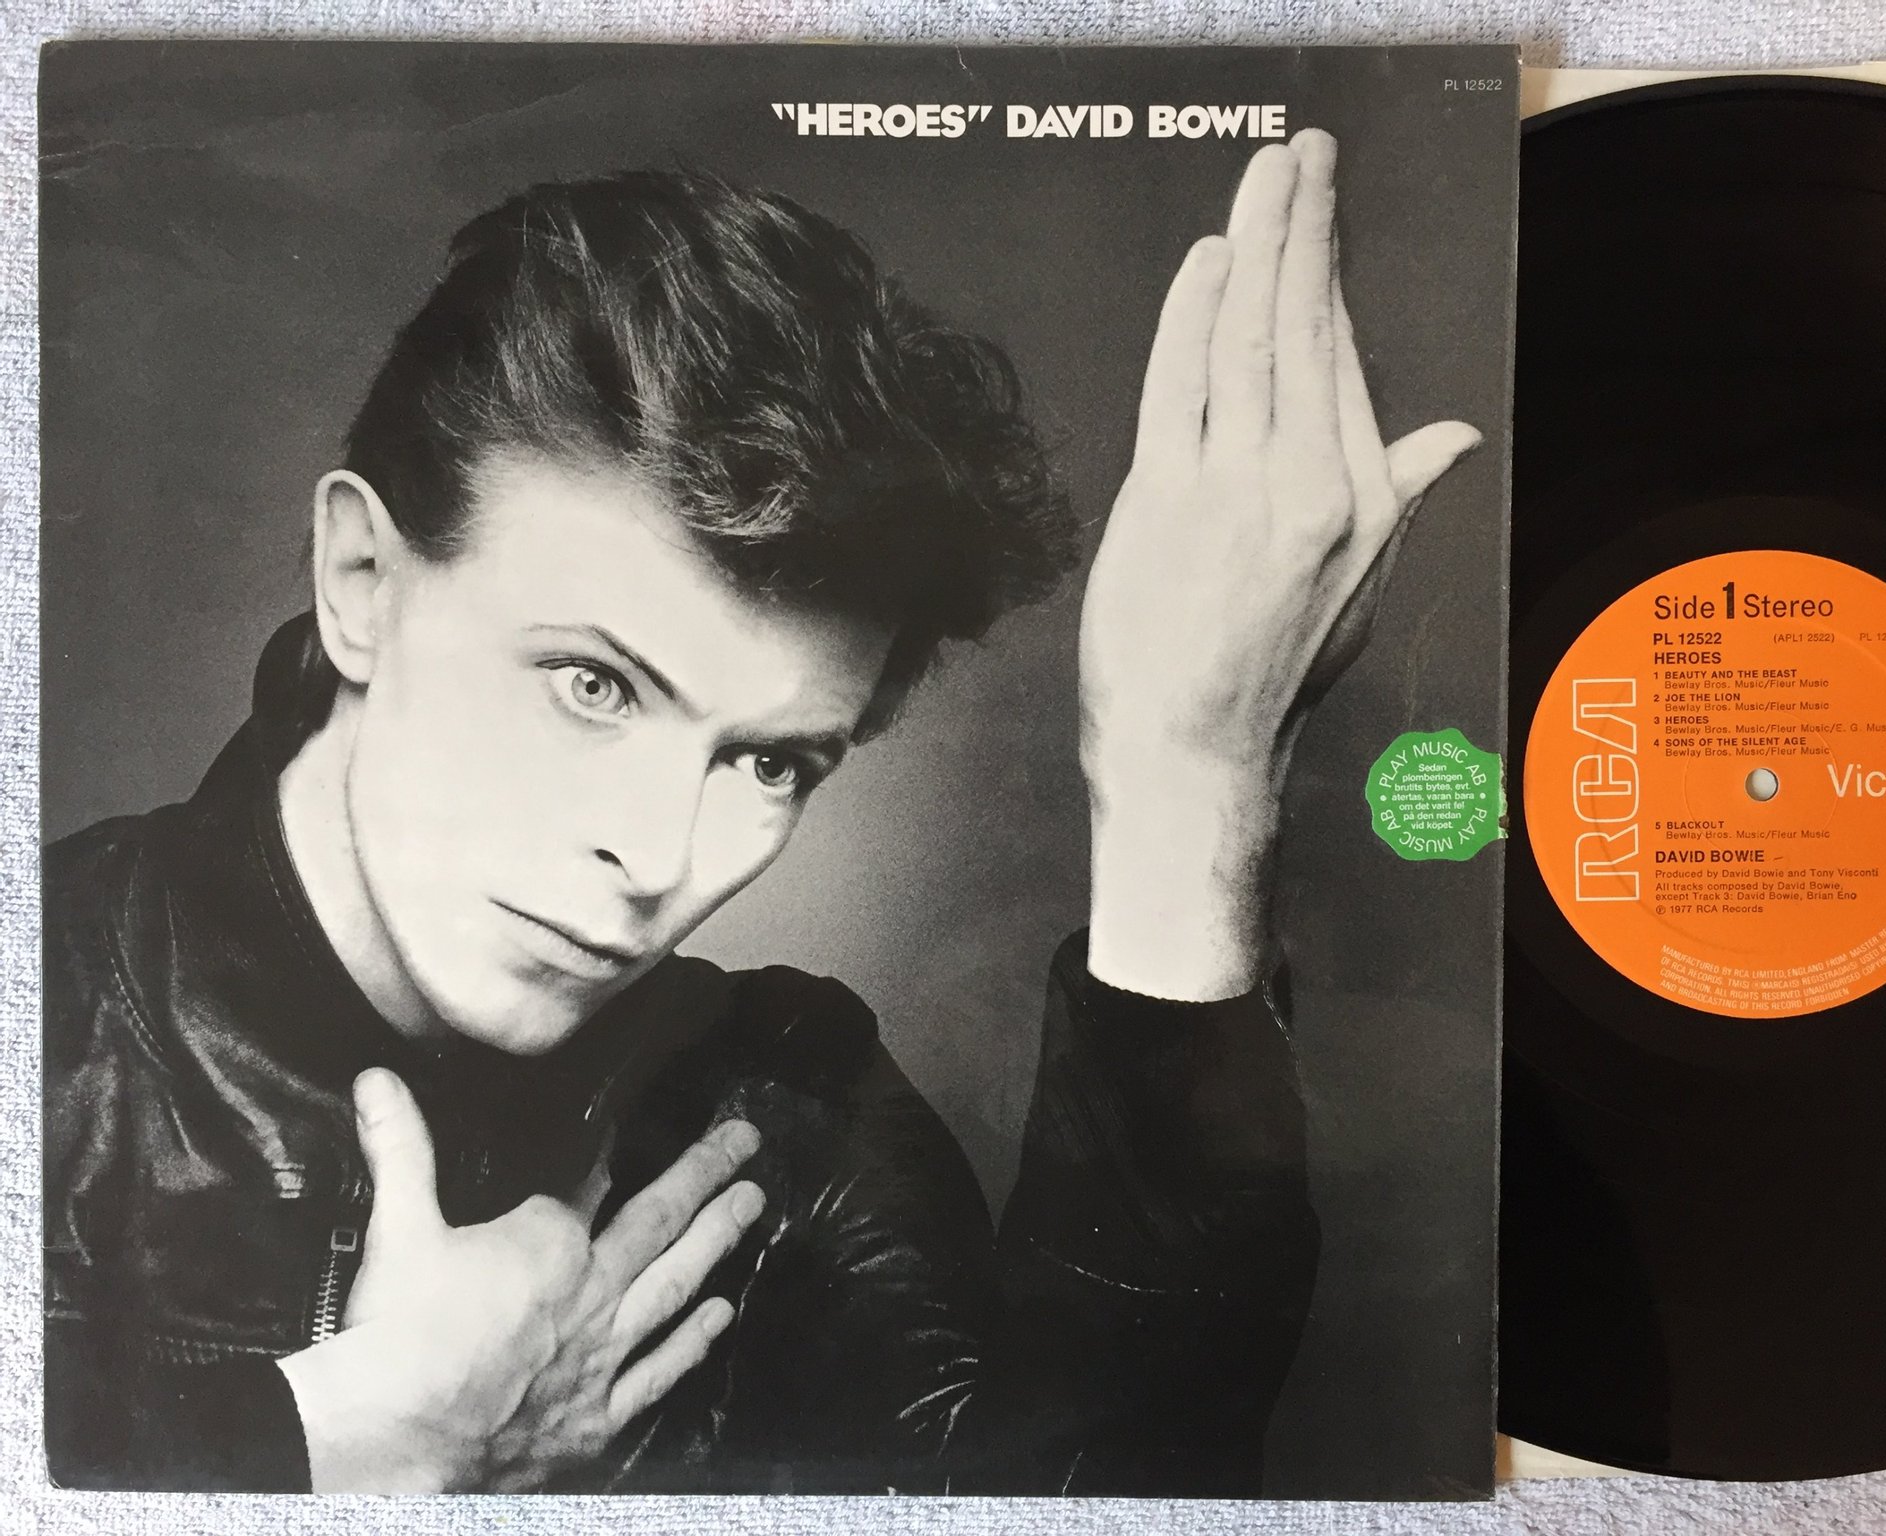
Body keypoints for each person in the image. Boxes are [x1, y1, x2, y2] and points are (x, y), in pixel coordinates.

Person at [43, 129, 1478, 1494]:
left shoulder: (785, 1112)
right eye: (594, 686)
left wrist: (1188, 784)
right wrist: (352, 1446)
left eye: (772, 763)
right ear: (362, 582)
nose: (656, 858)